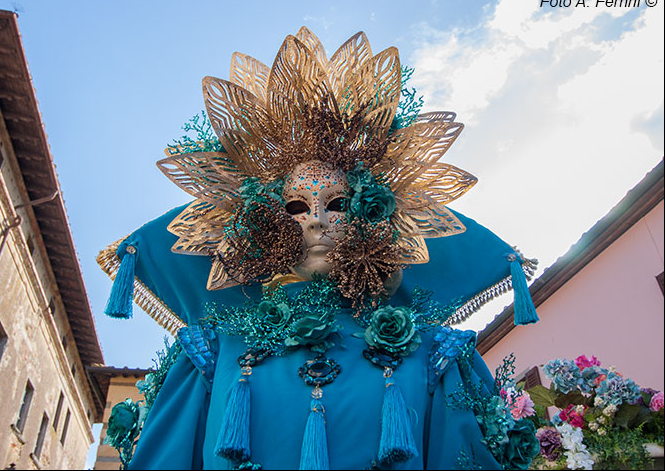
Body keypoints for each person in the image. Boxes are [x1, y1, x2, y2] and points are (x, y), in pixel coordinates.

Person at [98, 27, 541, 470]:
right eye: (295, 206)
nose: (316, 219)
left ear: (373, 215)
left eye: (338, 204)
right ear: (261, 220)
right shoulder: (213, 353)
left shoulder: (432, 354)